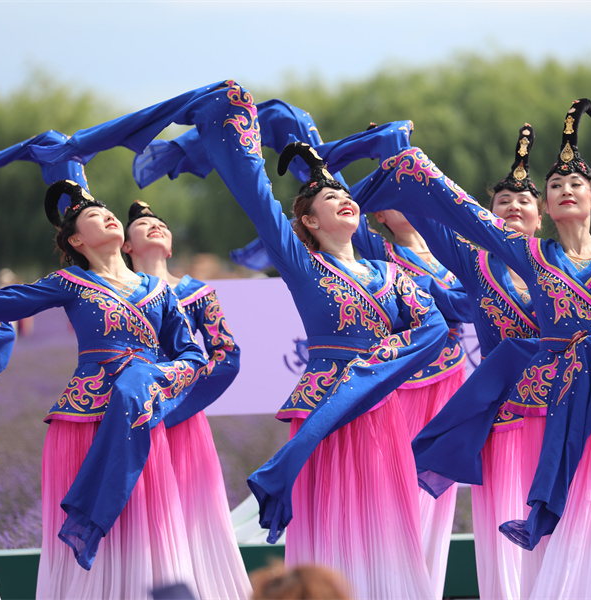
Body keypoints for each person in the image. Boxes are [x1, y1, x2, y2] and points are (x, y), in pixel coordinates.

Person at [322, 99, 591, 599]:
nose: (563, 191)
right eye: (556, 184)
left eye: (574, 186)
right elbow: (462, 214)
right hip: (526, 404)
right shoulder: (529, 254)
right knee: (531, 527)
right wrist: (409, 160)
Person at [135, 82, 448, 599]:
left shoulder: (390, 275)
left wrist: (378, 365)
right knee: (333, 521)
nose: (345, 200)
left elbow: (434, 327)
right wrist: (235, 135)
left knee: (389, 522)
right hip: (324, 406)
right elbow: (258, 199)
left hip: (377, 405)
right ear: (308, 220)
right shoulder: (305, 265)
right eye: (330, 198)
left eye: (347, 195)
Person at [0, 179, 208, 599]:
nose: (107, 215)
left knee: (148, 529)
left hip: (139, 419)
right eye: (93, 216)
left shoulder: (159, 292)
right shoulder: (70, 282)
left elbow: (191, 357)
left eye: (108, 212)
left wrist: (153, 378)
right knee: (98, 562)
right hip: (83, 423)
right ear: (76, 239)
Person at [351, 124, 547, 598]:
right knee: (503, 527)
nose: (513, 207)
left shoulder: (566, 265)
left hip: (562, 405)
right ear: (487, 215)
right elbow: (434, 214)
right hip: (502, 411)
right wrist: (400, 158)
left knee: (569, 516)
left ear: (541, 214)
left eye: (523, 202)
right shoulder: (475, 265)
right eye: (502, 203)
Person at [121, 199, 251, 599]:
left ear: (172, 245)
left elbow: (225, 353)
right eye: (143, 225)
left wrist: (176, 402)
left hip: (181, 419)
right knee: (141, 518)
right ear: (125, 246)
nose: (154, 226)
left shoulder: (196, 293)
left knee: (194, 516)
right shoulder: (111, 292)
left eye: (160, 222)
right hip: (132, 419)